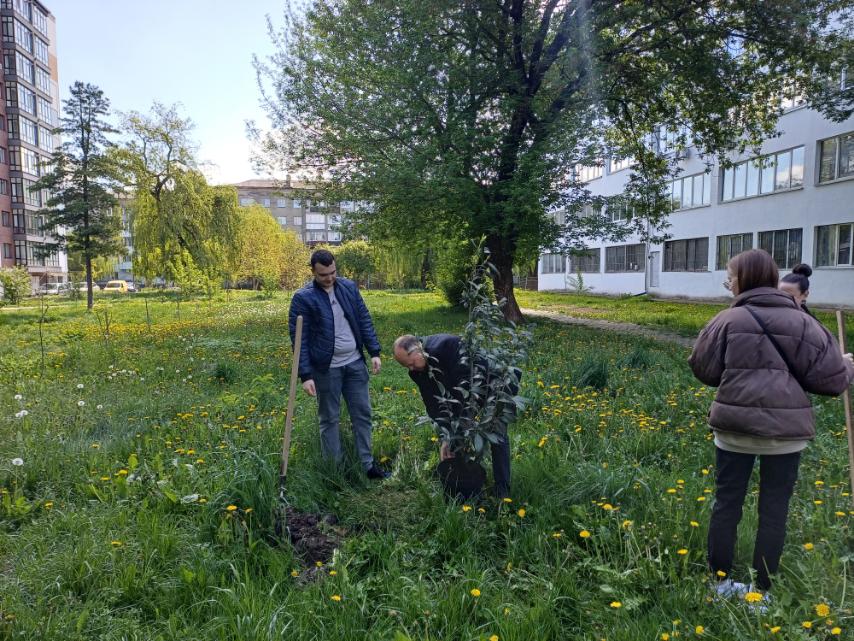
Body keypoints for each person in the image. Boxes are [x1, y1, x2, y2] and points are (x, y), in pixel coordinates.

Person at [689, 249, 853, 595]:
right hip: (786, 436)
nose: (728, 284)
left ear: (744, 280)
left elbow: (703, 370)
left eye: (730, 278)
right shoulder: (806, 323)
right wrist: (847, 364)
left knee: (727, 504)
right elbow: (832, 381)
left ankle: (719, 583)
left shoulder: (726, 321)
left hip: (734, 431)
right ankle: (762, 591)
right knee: (774, 509)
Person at [288, 249, 389, 479]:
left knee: (362, 414)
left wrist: (374, 351)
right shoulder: (303, 298)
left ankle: (367, 465)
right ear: (313, 271)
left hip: (354, 363)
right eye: (324, 275)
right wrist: (306, 375)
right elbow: (299, 339)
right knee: (329, 418)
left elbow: (363, 318)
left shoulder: (348, 287)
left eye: (333, 272)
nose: (330, 278)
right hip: (326, 369)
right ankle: (335, 471)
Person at [392, 333, 517, 499]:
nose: (411, 369)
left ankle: (503, 492)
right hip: (468, 395)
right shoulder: (418, 371)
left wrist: (459, 428)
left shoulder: (446, 347)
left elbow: (469, 392)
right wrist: (446, 436)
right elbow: (434, 404)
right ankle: (461, 478)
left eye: (411, 364)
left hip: (496, 383)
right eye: (407, 367)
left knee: (497, 433)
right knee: (455, 437)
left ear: (417, 349)